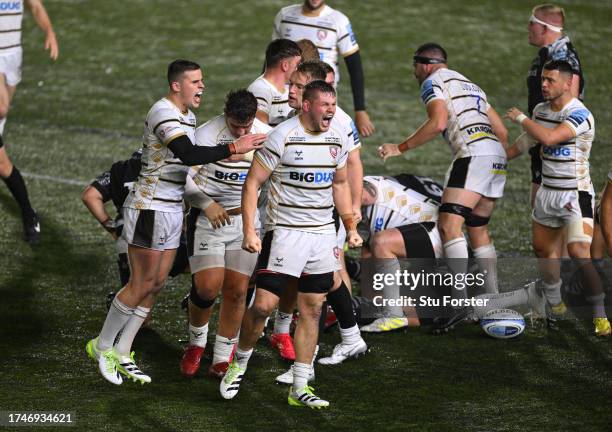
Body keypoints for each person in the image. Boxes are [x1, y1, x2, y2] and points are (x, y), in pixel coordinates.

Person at [86, 59, 265, 386]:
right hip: (150, 206)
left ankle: (124, 351)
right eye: (195, 81)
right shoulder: (163, 112)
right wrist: (233, 147)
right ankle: (102, 347)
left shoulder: (187, 116)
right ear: (176, 85)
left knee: (156, 285)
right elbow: (187, 154)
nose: (202, 86)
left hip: (171, 210)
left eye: (202, 81)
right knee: (139, 284)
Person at [220, 81, 362, 409]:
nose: (330, 110)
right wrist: (249, 231)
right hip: (285, 231)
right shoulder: (282, 136)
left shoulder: (337, 137)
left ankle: (300, 384)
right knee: (263, 306)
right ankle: (239, 362)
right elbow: (252, 183)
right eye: (324, 104)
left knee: (312, 307)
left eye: (333, 103)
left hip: (322, 233)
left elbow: (340, 183)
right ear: (307, 105)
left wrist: (350, 225)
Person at [378, 43, 508, 331]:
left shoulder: (432, 81)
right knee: (478, 228)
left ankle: (459, 302)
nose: (414, 73)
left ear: (425, 64)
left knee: (449, 225)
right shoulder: (472, 85)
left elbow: (438, 122)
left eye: (415, 66)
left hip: (473, 156)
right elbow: (502, 132)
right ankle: (492, 298)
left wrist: (400, 147)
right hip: (496, 158)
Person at [505, 60, 611, 336]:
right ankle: (555, 301)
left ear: (567, 83)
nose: (543, 84)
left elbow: (550, 138)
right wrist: (499, 156)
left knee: (578, 252)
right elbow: (526, 141)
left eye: (550, 80)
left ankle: (600, 314)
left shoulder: (580, 115)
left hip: (575, 196)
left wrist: (520, 117)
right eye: (542, 79)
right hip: (547, 192)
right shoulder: (540, 110)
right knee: (542, 250)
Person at [180, 89, 271, 379]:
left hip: (244, 221)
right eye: (235, 126)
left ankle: (221, 356)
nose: (242, 132)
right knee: (207, 287)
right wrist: (205, 204)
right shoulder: (206, 134)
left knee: (236, 291)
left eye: (247, 126)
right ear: (226, 115)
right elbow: (180, 178)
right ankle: (196, 343)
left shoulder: (267, 135)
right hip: (209, 220)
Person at [0, 0, 58, 243]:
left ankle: (29, 213)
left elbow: (36, 6)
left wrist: (49, 32)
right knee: (1, 109)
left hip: (14, 53)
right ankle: (28, 214)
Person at [273, 0, 375, 137]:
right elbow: (272, 61)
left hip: (322, 98)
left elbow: (355, 68)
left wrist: (360, 110)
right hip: (290, 94)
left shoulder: (338, 21)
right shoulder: (284, 16)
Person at [358, 174, 442, 332]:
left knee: (381, 242)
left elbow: (367, 195)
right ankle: (378, 309)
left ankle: (393, 314)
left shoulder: (361, 189)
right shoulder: (361, 196)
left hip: (437, 237)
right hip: (428, 240)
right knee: (371, 246)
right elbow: (367, 255)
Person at [247, 39, 301, 127]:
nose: (298, 70)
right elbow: (261, 128)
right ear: (285, 66)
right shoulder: (260, 89)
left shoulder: (290, 86)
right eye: (297, 65)